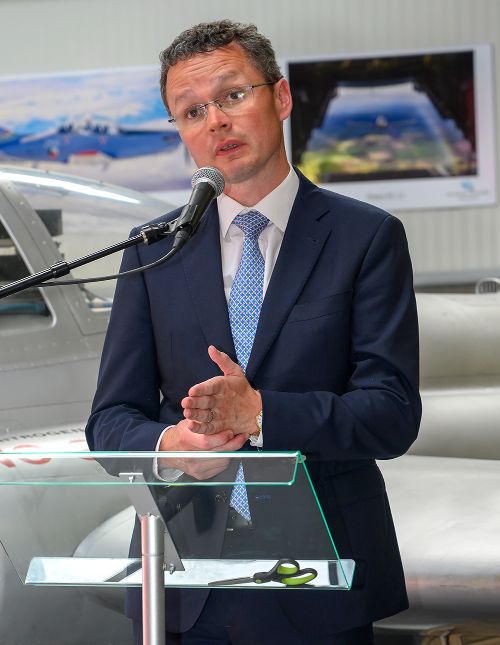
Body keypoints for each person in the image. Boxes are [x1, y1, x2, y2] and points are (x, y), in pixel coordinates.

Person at [86, 19, 421, 645]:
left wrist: (261, 413)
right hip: (180, 580)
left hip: (320, 577)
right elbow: (109, 422)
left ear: (282, 97)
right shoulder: (154, 249)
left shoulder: (366, 237)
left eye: (233, 95)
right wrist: (171, 445)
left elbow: (392, 414)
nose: (215, 121)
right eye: (192, 111)